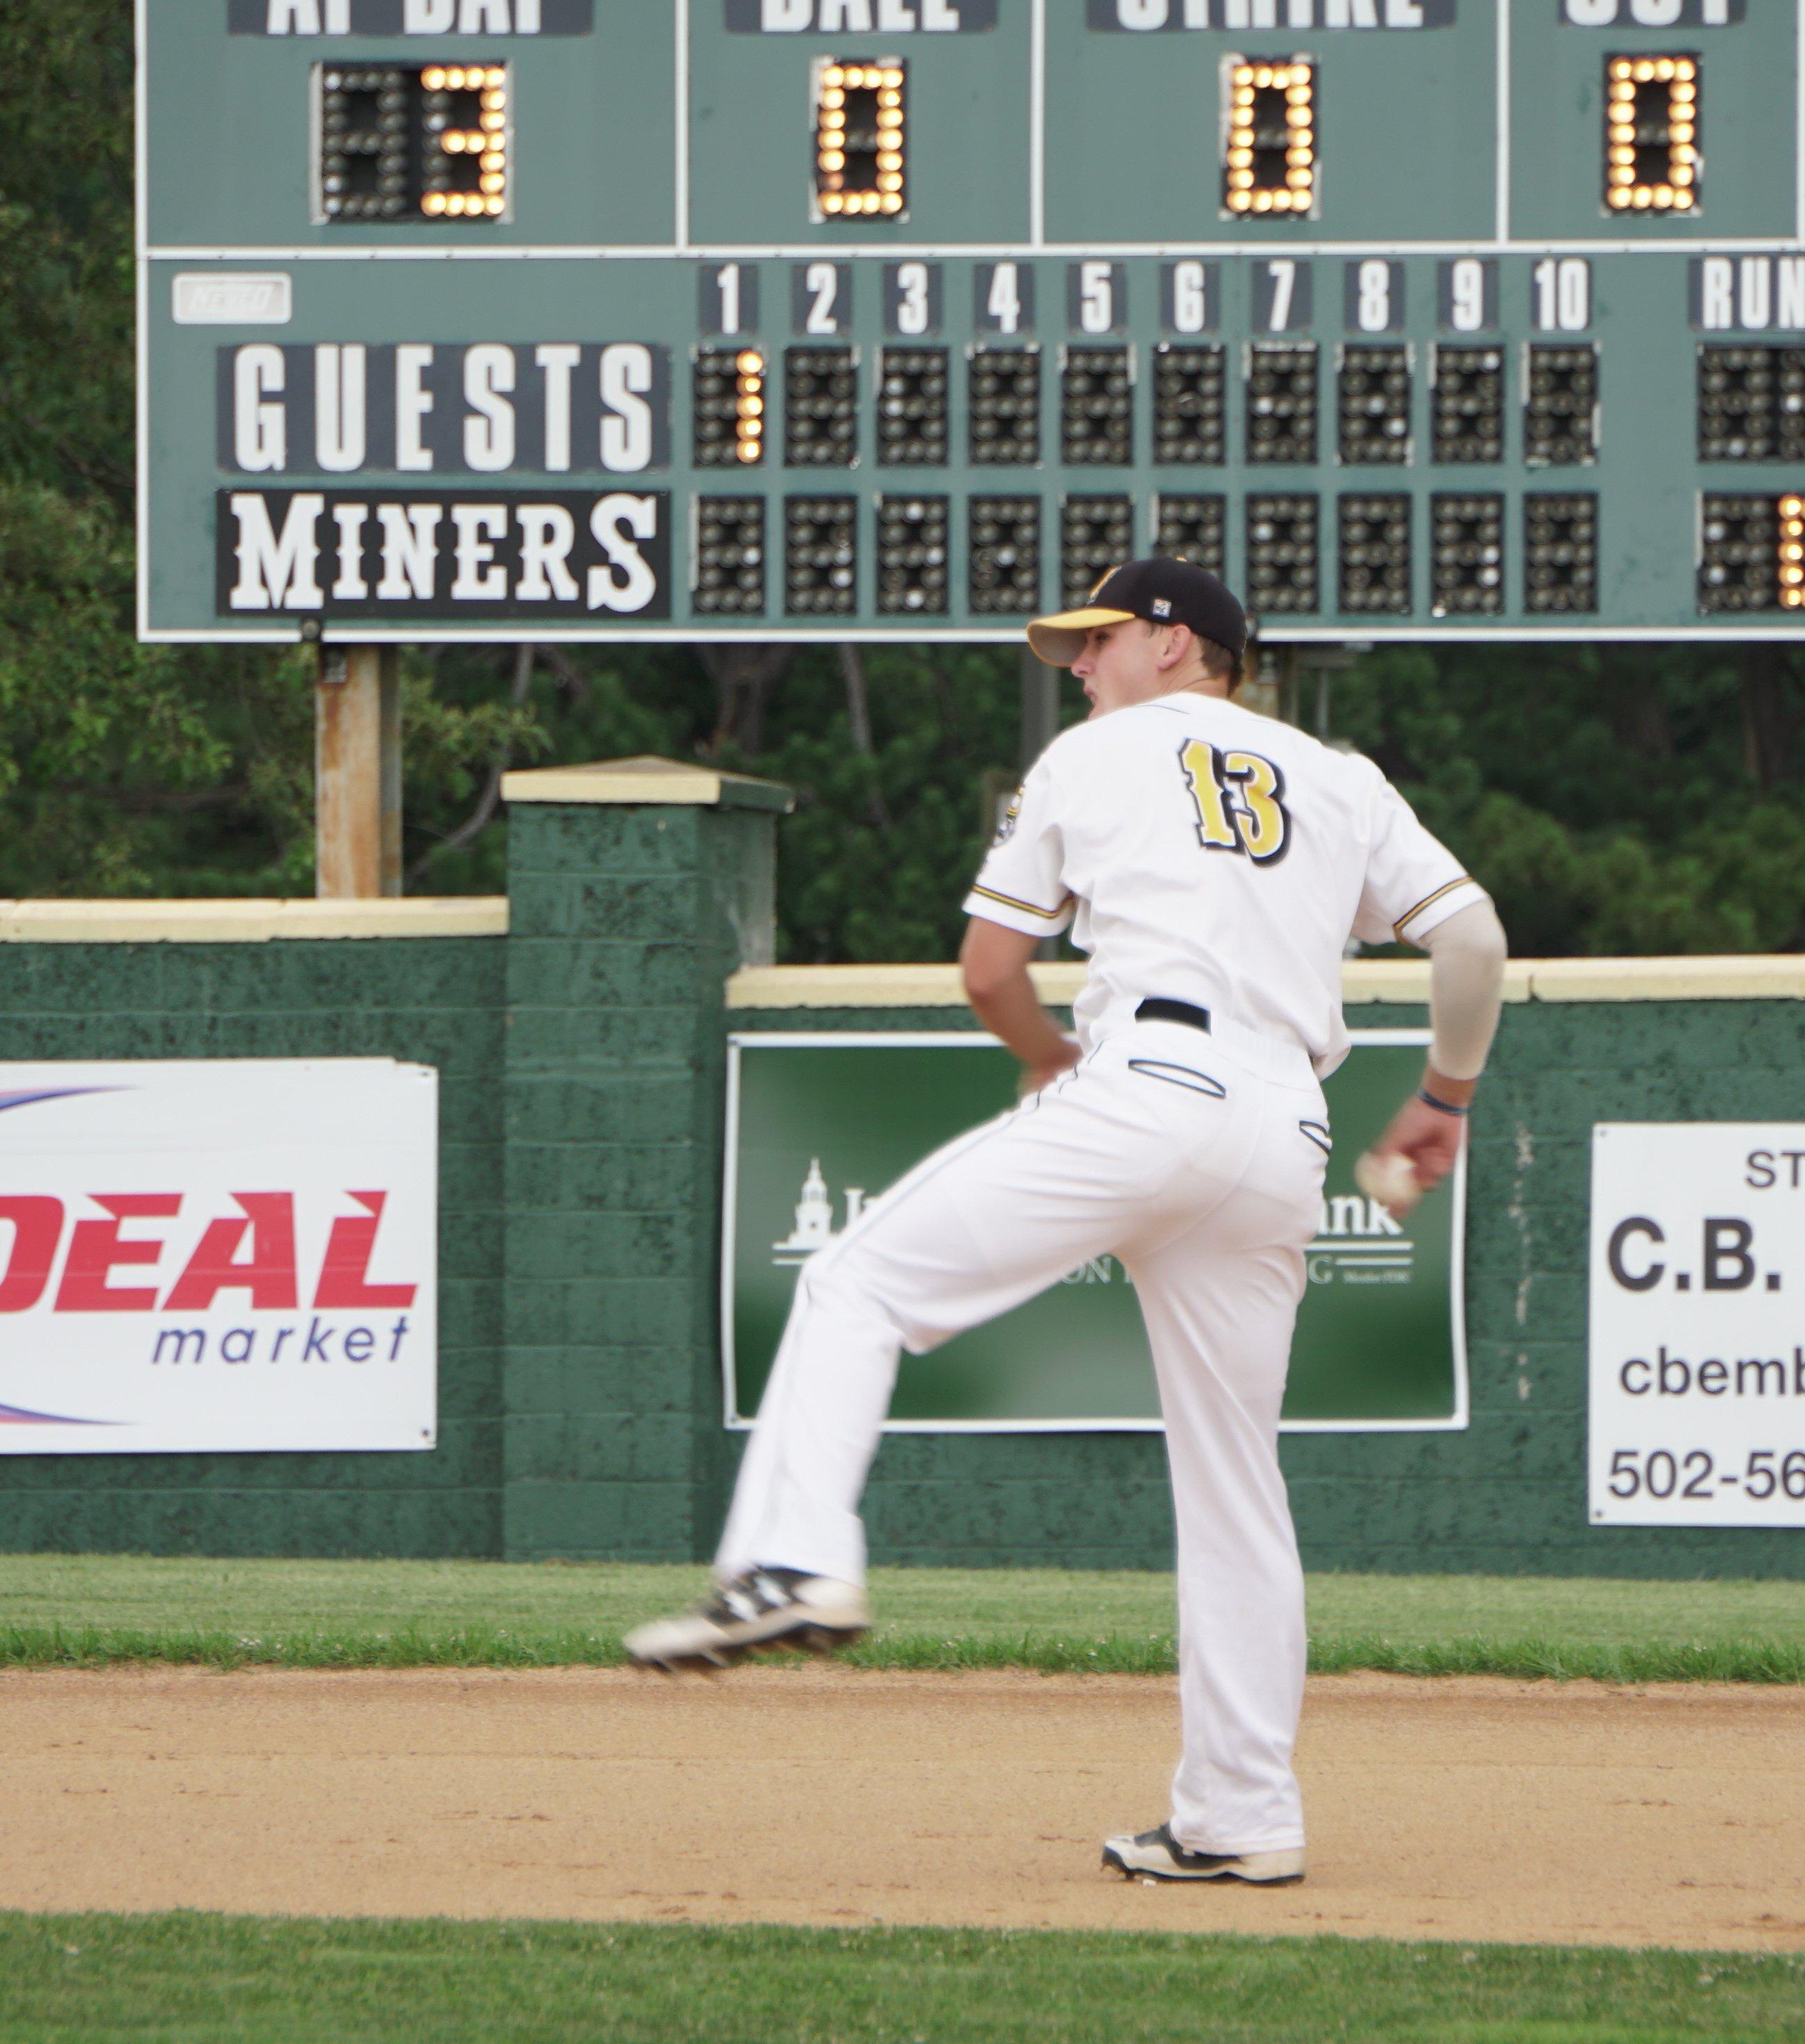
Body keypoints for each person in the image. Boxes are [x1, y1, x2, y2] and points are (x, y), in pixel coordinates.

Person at [624, 558, 1509, 1888]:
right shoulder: (1339, 776)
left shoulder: (1093, 761)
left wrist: (1047, 1060)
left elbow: (990, 972)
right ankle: (1240, 1818)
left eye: (1097, 642)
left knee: (856, 1285)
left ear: (1175, 643)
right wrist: (1443, 1096)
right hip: (1286, 1130)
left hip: (1149, 1086)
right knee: (1236, 1491)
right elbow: (1474, 941)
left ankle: (793, 1559)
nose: (1079, 667)